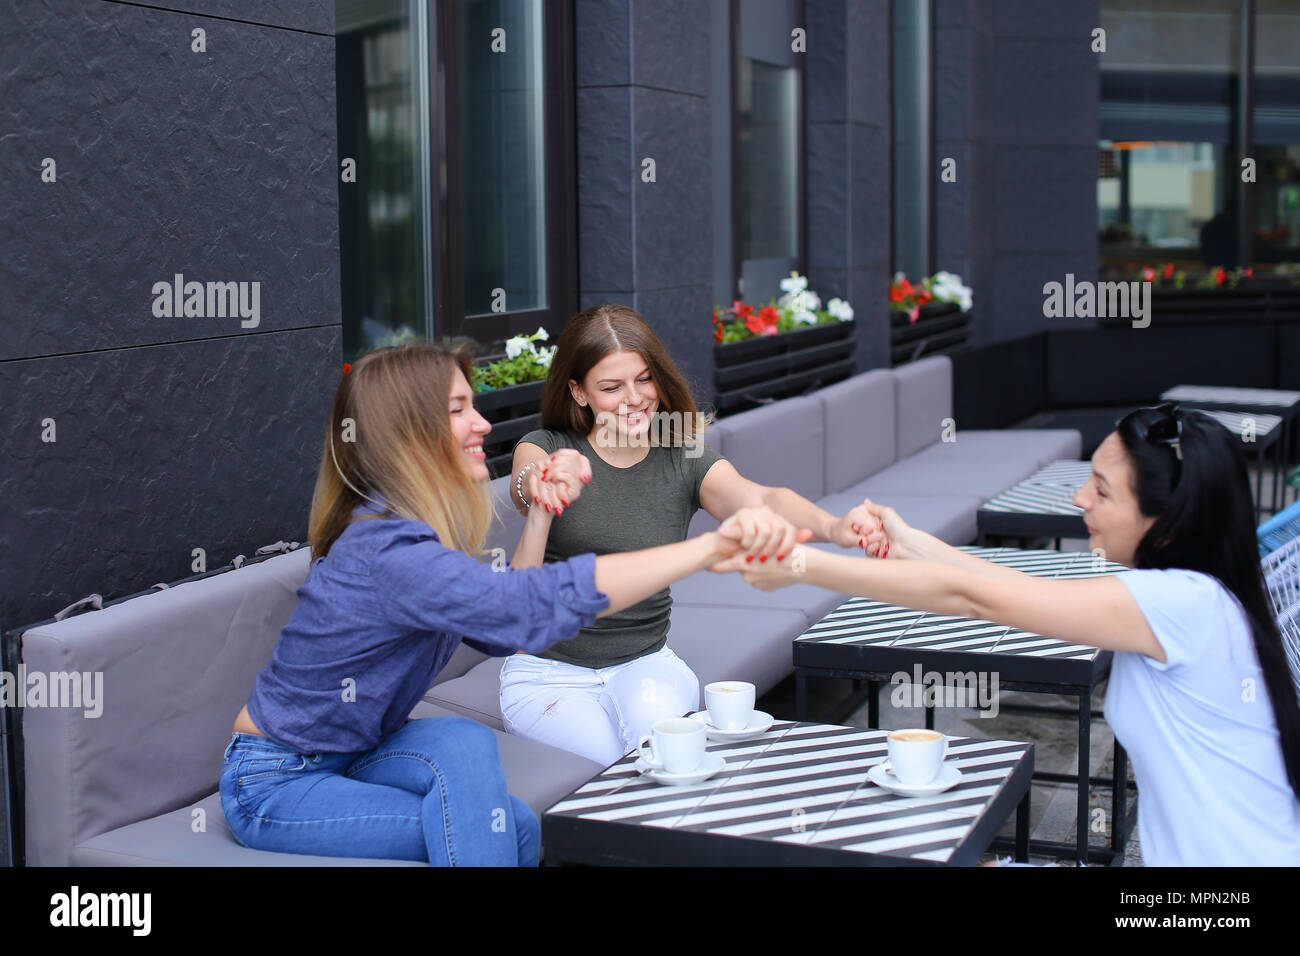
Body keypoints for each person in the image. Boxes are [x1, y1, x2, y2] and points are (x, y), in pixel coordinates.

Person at [220, 343, 803, 866]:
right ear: (405, 432)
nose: (481, 423)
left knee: (467, 744)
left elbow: (503, 628)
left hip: (363, 747)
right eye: (456, 409)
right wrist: (706, 549)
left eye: (473, 404)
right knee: (512, 827)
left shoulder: (409, 529)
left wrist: (543, 515)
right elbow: (526, 608)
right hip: (276, 780)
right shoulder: (389, 550)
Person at [722, 403, 1300, 866]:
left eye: (1101, 490)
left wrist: (801, 564)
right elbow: (1004, 582)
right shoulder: (1194, 596)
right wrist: (911, 543)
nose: (1080, 500)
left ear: (1166, 517)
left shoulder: (1183, 604)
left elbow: (977, 599)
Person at [500, 303, 884, 766]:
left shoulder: (680, 454)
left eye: (644, 379)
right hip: (548, 673)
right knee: (609, 769)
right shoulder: (547, 449)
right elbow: (526, 488)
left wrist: (834, 527)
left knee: (667, 758)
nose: (634, 398)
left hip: (644, 663)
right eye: (611, 386)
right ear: (578, 392)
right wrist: (540, 493)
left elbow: (760, 499)